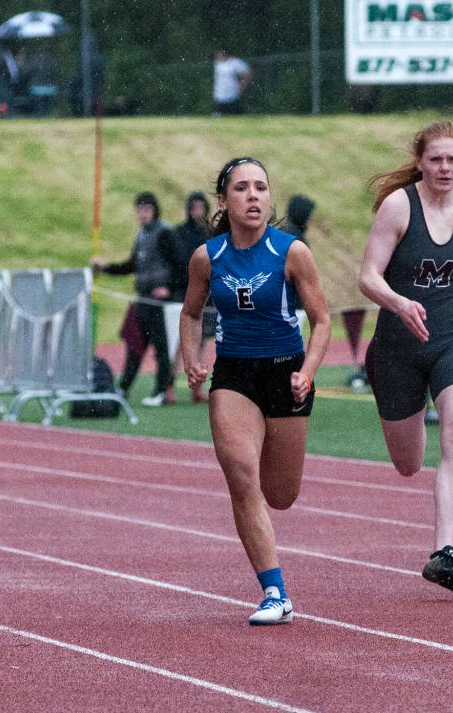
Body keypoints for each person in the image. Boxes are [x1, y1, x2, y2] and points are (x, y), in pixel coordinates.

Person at [359, 120, 453, 590]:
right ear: (421, 162)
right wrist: (400, 302)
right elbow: (368, 276)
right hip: (397, 347)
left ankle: (443, 551)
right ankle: (415, 431)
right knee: (409, 464)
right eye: (435, 159)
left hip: (452, 341)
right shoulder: (398, 207)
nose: (445, 167)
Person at [179, 157, 330, 624]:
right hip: (234, 376)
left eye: (261, 188)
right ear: (224, 200)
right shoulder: (208, 257)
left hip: (286, 374)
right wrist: (192, 360)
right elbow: (190, 312)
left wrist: (307, 371)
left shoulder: (292, 253)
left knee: (281, 494)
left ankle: (273, 578)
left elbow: (322, 321)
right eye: (242, 188)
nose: (253, 196)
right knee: (241, 475)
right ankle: (275, 592)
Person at [92, 193, 177, 407]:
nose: (142, 214)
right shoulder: (140, 236)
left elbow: (181, 264)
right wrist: (106, 268)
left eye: (146, 209)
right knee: (135, 346)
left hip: (159, 303)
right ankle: (123, 389)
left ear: (154, 210)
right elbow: (131, 266)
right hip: (142, 300)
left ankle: (160, 391)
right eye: (139, 210)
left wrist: (168, 288)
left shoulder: (165, 233)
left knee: (162, 349)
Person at [170, 191, 214, 404]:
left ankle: (196, 388)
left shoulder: (210, 233)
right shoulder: (179, 233)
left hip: (208, 295)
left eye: (201, 207)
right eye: (194, 207)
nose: (197, 212)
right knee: (178, 343)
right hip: (184, 292)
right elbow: (178, 263)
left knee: (202, 341)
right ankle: (168, 385)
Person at [212, 49, 252, 116]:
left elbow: (248, 73)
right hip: (219, 96)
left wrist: (242, 86)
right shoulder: (217, 64)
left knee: (234, 115)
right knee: (217, 116)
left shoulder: (234, 63)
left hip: (232, 95)